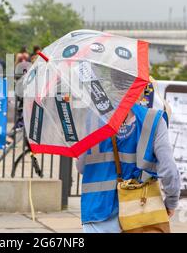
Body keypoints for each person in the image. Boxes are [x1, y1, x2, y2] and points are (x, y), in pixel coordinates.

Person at [76, 69, 181, 233]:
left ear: (113, 81)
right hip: (140, 211)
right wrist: (171, 202)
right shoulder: (153, 119)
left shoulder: (92, 117)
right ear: (140, 84)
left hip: (96, 210)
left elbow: (82, 167)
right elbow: (168, 169)